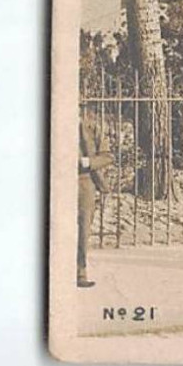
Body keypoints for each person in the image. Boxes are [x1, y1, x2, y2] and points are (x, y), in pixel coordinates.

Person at [77, 109, 112, 288]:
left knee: (83, 229)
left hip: (83, 181)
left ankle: (80, 272)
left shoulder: (92, 126)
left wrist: (88, 162)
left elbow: (107, 156)